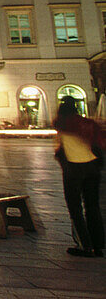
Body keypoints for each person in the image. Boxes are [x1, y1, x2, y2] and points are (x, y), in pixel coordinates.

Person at [54, 96, 104, 257]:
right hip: (92, 167)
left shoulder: (62, 122)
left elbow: (59, 144)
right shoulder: (89, 124)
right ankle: (98, 246)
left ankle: (84, 245)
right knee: (92, 206)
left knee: (75, 207)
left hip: (74, 167)